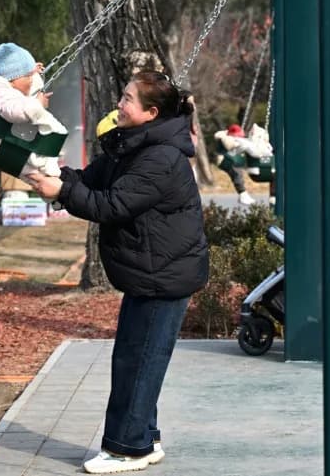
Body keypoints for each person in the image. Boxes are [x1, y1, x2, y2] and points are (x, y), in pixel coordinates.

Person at [29, 70, 209, 474]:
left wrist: (61, 193)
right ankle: (144, 435)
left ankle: (129, 449)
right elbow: (91, 182)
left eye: (128, 99)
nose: (119, 103)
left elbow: (109, 205)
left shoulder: (159, 158)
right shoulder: (133, 147)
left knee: (139, 359)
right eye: (122, 95)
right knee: (136, 357)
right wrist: (55, 176)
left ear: (152, 112)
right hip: (150, 270)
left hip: (164, 274)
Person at [0, 42, 66, 183]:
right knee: (39, 175)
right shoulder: (3, 92)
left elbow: (21, 89)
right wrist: (38, 104)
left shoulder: (6, 85)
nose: (32, 80)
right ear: (11, 80)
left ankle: (54, 186)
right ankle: (52, 181)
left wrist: (32, 71)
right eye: (28, 76)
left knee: (40, 176)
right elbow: (15, 112)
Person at [214, 124, 256, 205]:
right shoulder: (225, 138)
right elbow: (230, 145)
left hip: (227, 160)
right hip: (224, 160)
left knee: (238, 174)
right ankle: (243, 194)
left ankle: (243, 194)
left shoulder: (226, 137)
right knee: (236, 174)